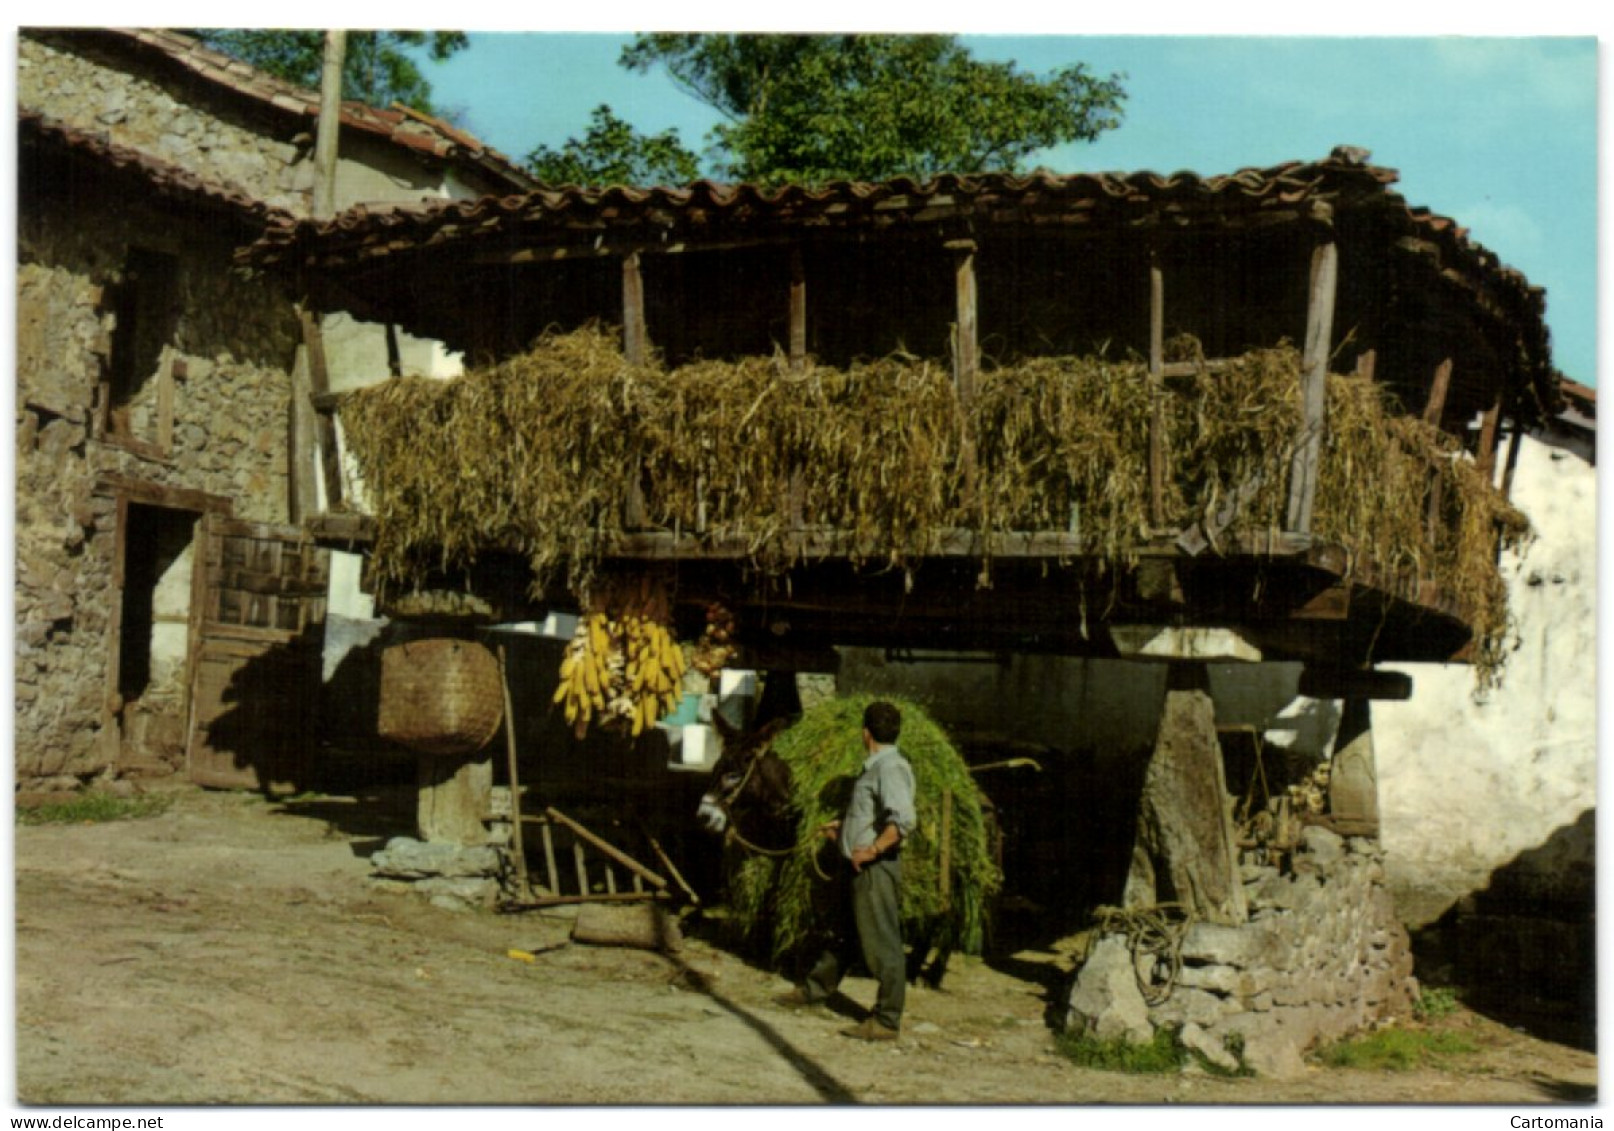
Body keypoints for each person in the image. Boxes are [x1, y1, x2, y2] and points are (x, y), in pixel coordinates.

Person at [775, 700, 916, 1041]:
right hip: (857, 868)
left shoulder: (889, 768)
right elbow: (876, 815)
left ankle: (885, 1021)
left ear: (865, 733)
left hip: (874, 872)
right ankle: (815, 990)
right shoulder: (877, 766)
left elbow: (904, 821)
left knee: (883, 944)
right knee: (841, 933)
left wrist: (873, 849)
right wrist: (845, 829)